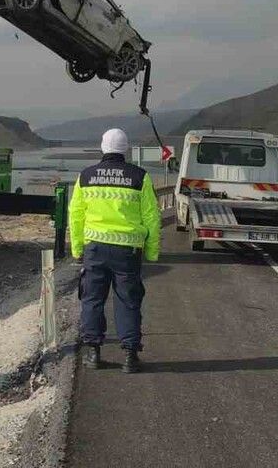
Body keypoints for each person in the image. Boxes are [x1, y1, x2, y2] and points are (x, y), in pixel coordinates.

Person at [69, 128, 162, 373]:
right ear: (126, 148)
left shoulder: (86, 176)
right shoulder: (140, 177)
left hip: (95, 248)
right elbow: (152, 218)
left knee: (91, 299)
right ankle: (130, 356)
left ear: (102, 147)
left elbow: (75, 216)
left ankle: (93, 353)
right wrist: (152, 252)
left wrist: (77, 248)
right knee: (128, 301)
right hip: (127, 251)